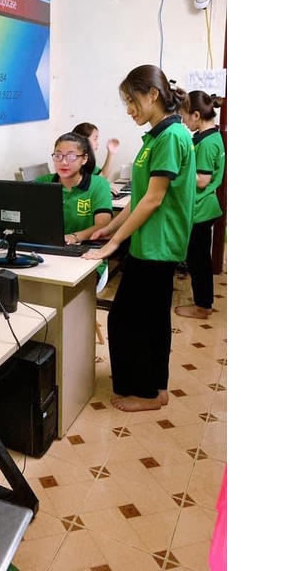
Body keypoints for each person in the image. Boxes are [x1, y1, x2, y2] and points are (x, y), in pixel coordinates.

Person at [83, 65, 195, 412]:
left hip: (158, 244)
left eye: (132, 101)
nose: (129, 109)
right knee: (154, 319)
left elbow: (153, 200)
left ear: (153, 95)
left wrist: (114, 244)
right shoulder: (157, 137)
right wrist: (111, 228)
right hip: (152, 242)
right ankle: (156, 389)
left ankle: (144, 393)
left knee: (125, 321)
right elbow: (140, 197)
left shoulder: (170, 137)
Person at [175, 91, 225, 319]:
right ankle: (203, 303)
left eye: (185, 117)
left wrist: (176, 171)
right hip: (202, 207)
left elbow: (202, 180)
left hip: (201, 208)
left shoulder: (207, 143)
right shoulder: (209, 136)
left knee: (199, 261)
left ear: (196, 115)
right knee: (199, 258)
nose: (184, 122)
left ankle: (202, 307)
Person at [34, 131, 113, 277]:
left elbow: (103, 225)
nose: (63, 162)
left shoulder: (99, 185)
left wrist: (74, 237)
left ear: (84, 159)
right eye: (58, 156)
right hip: (48, 252)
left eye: (71, 157)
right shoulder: (42, 183)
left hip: (87, 253)